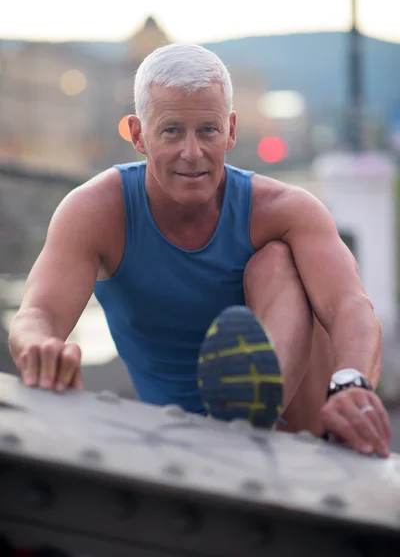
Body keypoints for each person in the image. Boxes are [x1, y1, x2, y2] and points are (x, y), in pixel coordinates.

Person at [8, 43, 391, 458]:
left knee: (275, 261)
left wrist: (352, 381)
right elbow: (37, 314)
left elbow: (350, 303)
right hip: (174, 435)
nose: (192, 153)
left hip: (295, 434)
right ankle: (235, 426)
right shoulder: (96, 211)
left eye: (207, 130)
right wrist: (40, 347)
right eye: (172, 131)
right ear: (138, 134)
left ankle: (251, 416)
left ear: (230, 130)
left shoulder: (285, 210)